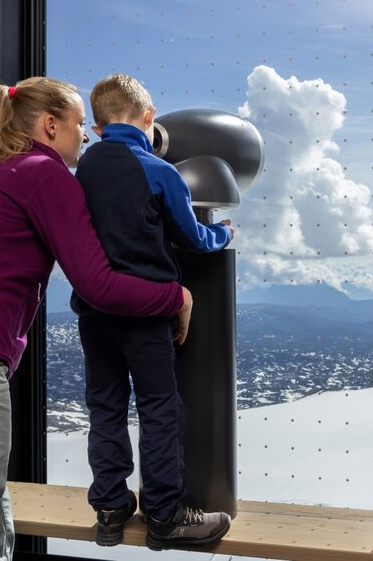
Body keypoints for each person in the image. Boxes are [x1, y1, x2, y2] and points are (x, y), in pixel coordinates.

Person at [0, 77, 191, 561]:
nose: (85, 139)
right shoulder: (42, 173)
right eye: (77, 128)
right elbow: (99, 286)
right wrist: (174, 296)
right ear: (51, 124)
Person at [72, 73, 234, 550]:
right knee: (159, 409)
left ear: (98, 125)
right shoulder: (159, 171)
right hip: (144, 314)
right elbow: (193, 238)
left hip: (94, 314)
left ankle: (109, 508)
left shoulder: (83, 171)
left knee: (105, 407)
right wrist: (223, 233)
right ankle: (165, 516)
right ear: (149, 118)